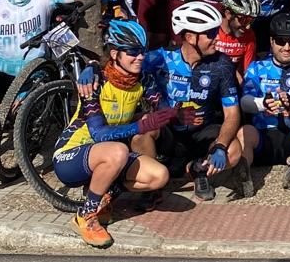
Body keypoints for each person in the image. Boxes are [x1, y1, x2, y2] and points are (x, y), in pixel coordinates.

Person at [58, 20, 197, 248]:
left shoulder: (143, 80)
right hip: (71, 155)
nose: (140, 57)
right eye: (132, 52)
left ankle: (106, 194)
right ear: (114, 54)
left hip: (110, 157)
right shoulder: (95, 82)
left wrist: (177, 114)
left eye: (142, 51)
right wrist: (140, 126)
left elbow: (161, 110)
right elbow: (99, 134)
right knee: (119, 149)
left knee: (159, 176)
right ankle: (85, 215)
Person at [154, 1, 253, 201]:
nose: (217, 38)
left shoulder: (222, 64)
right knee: (144, 130)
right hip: (169, 132)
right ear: (190, 37)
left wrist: (220, 146)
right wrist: (95, 65)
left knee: (233, 151)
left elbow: (232, 114)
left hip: (203, 133)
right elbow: (121, 63)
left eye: (216, 31)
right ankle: (150, 188)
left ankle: (198, 170)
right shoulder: (161, 58)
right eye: (210, 33)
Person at [240, 13, 290, 191]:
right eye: (280, 41)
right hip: (262, 137)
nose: (286, 47)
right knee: (245, 130)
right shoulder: (256, 66)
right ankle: (243, 175)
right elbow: (244, 102)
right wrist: (263, 103)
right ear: (271, 41)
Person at [214, 0, 261, 73]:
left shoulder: (249, 35)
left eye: (251, 21)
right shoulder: (211, 31)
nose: (248, 27)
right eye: (243, 20)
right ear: (228, 14)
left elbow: (247, 73)